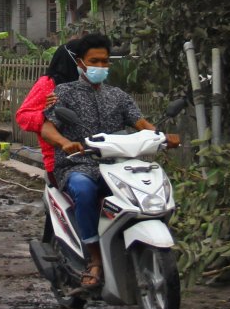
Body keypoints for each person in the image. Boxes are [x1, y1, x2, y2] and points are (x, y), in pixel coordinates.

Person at [40, 33, 179, 293]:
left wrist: (161, 136)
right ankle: (94, 258)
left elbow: (141, 124)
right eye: (95, 61)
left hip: (117, 165)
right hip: (78, 164)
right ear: (80, 63)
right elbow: (49, 128)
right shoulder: (63, 93)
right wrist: (64, 143)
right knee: (84, 189)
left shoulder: (118, 96)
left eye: (105, 62)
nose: (100, 67)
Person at [14, 35, 95, 177]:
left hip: (93, 157)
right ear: (73, 60)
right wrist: (48, 115)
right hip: (60, 160)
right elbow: (22, 116)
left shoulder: (92, 85)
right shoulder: (49, 83)